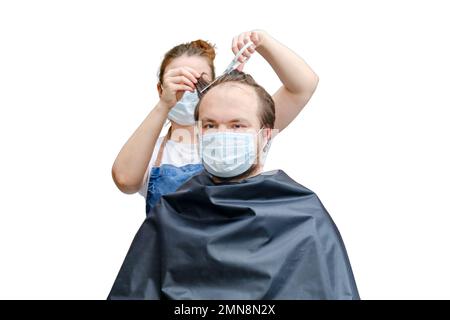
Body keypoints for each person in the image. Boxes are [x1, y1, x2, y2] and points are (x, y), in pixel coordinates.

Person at [107, 71, 360, 300]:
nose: (221, 134)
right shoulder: (171, 214)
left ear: (265, 136)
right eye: (210, 125)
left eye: (237, 125)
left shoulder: (304, 217)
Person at [111, 29, 320, 215]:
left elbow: (303, 86)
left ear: (211, 87)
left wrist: (263, 41)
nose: (188, 89)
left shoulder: (242, 137)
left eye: (198, 81)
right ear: (161, 89)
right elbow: (124, 180)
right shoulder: (151, 151)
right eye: (178, 81)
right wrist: (164, 105)